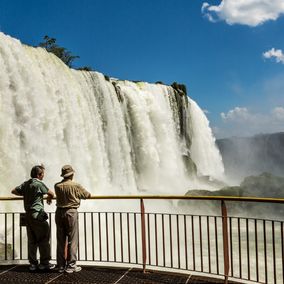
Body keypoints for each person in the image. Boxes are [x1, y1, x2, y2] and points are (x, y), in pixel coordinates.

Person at [11, 165, 55, 272]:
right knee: (44, 239)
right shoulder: (39, 184)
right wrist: (49, 198)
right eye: (43, 174)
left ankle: (33, 264)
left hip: (28, 215)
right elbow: (51, 193)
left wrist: (26, 195)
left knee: (32, 241)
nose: (43, 176)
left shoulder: (26, 184)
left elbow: (13, 191)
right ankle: (44, 263)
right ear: (39, 175)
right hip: (38, 215)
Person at [54, 165, 91, 273]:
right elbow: (88, 195)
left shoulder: (57, 185)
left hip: (59, 212)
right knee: (72, 240)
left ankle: (60, 265)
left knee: (61, 240)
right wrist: (77, 195)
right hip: (71, 212)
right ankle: (71, 265)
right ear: (72, 174)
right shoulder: (76, 185)